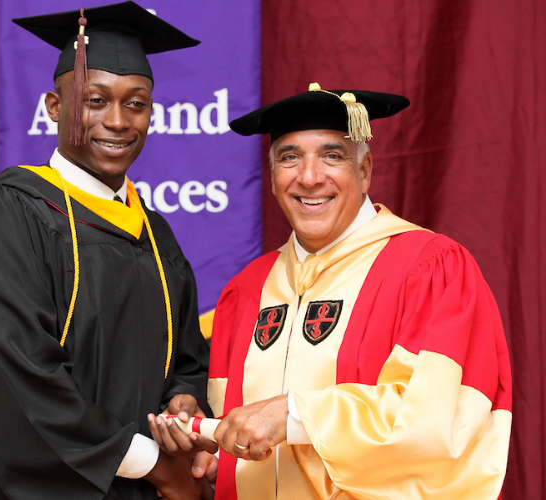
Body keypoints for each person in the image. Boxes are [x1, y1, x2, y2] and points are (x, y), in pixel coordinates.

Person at [0, 2, 214, 499]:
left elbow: (188, 358)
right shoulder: (5, 214)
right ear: (54, 106)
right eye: (95, 100)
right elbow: (13, 380)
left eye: (136, 103)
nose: (118, 121)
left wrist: (185, 400)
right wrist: (151, 464)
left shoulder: (155, 233)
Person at [195, 84, 512, 499]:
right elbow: (238, 434)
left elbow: (439, 421)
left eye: (332, 156)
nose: (309, 178)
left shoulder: (430, 268)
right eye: (290, 158)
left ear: (364, 172)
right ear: (271, 179)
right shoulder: (247, 289)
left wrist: (293, 413)